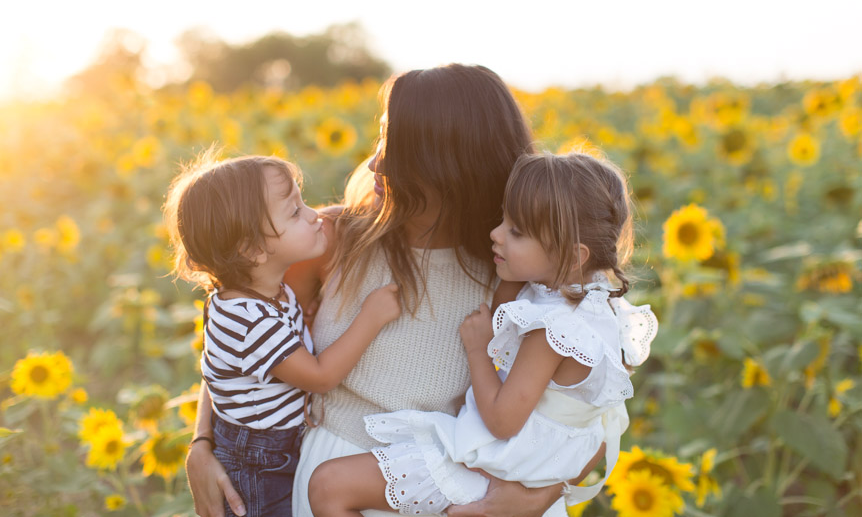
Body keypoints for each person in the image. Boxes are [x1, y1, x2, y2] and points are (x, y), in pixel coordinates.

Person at [186, 64, 603, 517]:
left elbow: (589, 412)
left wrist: (534, 497)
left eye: (394, 146)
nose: (374, 162)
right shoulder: (331, 239)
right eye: (381, 138)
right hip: (331, 486)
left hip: (461, 494)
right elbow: (246, 338)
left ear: (447, 164)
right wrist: (202, 443)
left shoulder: (523, 266)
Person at [306, 151, 659, 516]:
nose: (495, 234)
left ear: (573, 257)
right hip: (532, 467)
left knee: (329, 486)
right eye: (502, 219)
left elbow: (502, 421)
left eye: (516, 231)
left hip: (499, 467)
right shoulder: (598, 303)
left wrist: (477, 350)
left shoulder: (555, 331)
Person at [164, 152, 402, 517]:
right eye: (295, 212)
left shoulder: (267, 293)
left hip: (273, 448)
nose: (314, 215)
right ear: (252, 249)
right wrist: (371, 316)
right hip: (258, 464)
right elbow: (320, 376)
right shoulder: (249, 320)